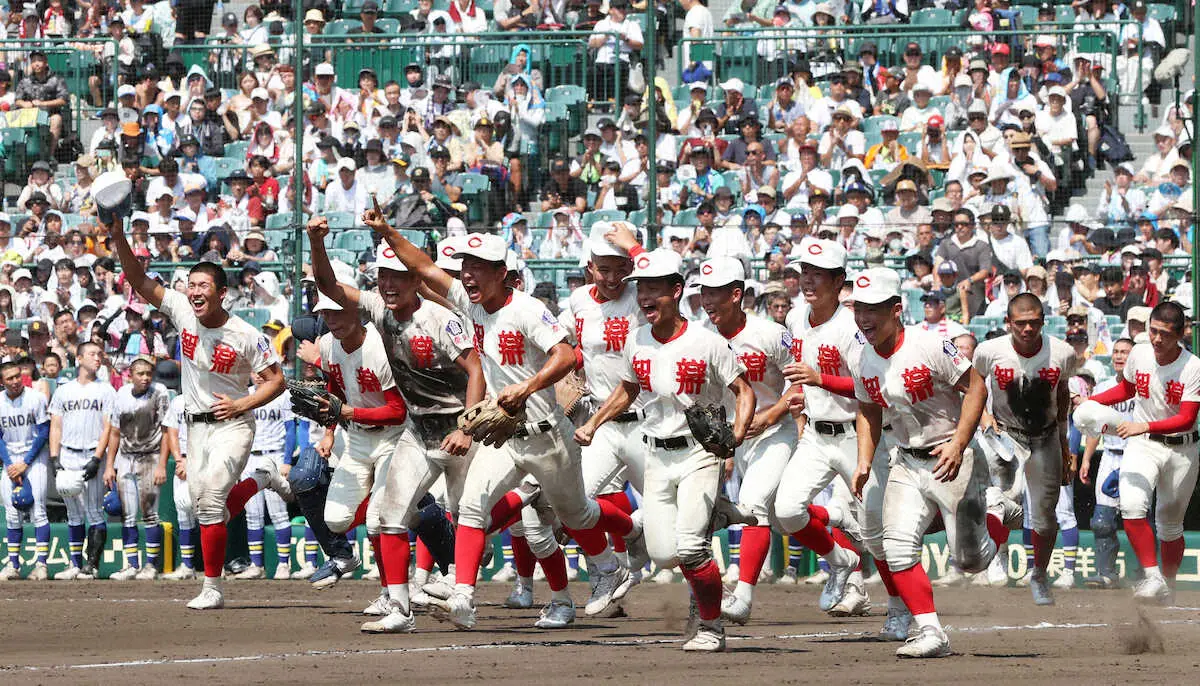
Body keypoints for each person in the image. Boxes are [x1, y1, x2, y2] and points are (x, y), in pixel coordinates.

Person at [366, 212, 645, 630]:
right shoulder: (467, 301)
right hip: (505, 435)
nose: (468, 275)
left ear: (503, 273)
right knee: (471, 509)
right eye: (465, 268)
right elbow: (422, 267)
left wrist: (528, 387)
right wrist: (386, 231)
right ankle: (463, 595)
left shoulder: (528, 310)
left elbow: (565, 355)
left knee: (577, 514)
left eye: (477, 268)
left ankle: (615, 555)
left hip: (548, 436)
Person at [106, 171, 291, 610]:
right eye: (190, 286)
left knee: (208, 502)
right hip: (196, 428)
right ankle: (262, 478)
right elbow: (138, 279)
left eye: (203, 286)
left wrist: (244, 402)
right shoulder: (182, 312)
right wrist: (117, 233)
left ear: (222, 293)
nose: (194, 292)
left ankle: (212, 588)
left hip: (233, 425)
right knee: (198, 504)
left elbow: (276, 380)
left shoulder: (246, 334)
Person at [575, 248, 756, 652]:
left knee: (691, 547)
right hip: (655, 453)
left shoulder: (707, 343)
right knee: (663, 554)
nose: (644, 296)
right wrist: (593, 423)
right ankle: (719, 513)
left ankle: (711, 627)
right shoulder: (636, 340)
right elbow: (627, 389)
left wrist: (737, 435)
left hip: (699, 453)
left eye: (654, 288)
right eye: (640, 288)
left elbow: (743, 391)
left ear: (676, 291)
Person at [850, 267, 1021, 658]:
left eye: (873, 308)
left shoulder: (930, 345)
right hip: (906, 461)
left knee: (971, 561)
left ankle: (996, 512)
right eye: (859, 307)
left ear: (896, 309)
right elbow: (867, 410)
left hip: (951, 458)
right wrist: (863, 460)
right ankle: (931, 632)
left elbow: (975, 383)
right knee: (896, 550)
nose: (863, 317)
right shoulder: (863, 357)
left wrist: (961, 442)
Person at [304, 217, 475, 602]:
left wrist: (468, 425)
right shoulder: (378, 308)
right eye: (383, 275)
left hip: (454, 427)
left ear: (417, 279)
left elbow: (474, 369)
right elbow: (329, 287)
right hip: (415, 431)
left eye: (398, 274)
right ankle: (398, 602)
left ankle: (460, 584)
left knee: (470, 513)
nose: (389, 283)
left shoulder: (440, 318)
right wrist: (317, 242)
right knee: (385, 516)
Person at [777, 237, 903, 632]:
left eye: (819, 275)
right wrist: (798, 397)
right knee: (786, 511)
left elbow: (872, 387)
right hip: (816, 433)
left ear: (839, 281)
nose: (808, 281)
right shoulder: (796, 317)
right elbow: (799, 374)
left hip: (857, 433)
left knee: (875, 531)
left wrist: (820, 380)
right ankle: (840, 561)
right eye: (804, 273)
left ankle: (899, 606)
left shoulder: (855, 326)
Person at [695, 256, 798, 626]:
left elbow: (801, 380)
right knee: (783, 515)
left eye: (715, 294)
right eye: (703, 293)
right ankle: (840, 558)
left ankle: (742, 596)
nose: (707, 302)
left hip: (776, 432)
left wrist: (772, 414)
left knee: (753, 504)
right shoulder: (701, 339)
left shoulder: (770, 333)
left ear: (736, 295)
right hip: (731, 441)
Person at [1087, 302, 1200, 604]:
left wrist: (1144, 425)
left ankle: (1169, 584)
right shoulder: (1139, 353)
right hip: (1143, 444)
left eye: (1164, 333)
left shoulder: (1193, 366)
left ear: (1180, 333)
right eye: (1153, 330)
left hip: (1182, 448)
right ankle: (1152, 576)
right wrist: (1092, 401)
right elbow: (1126, 389)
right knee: (1132, 505)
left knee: (1170, 524)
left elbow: (1187, 417)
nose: (1157, 339)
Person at [565, 223, 651, 614]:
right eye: (605, 268)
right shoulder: (579, 300)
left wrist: (633, 248)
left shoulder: (641, 294)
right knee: (572, 504)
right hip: (601, 421)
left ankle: (705, 599)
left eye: (621, 267)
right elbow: (563, 346)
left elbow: (658, 273)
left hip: (649, 421)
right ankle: (610, 563)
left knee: (677, 522)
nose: (614, 277)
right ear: (590, 267)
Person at [973, 294, 1078, 605]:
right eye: (1021, 323)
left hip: (1044, 437)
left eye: (1034, 322)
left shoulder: (1063, 352)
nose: (1028, 328)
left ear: (1044, 321)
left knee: (1046, 518)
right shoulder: (989, 351)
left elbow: (1062, 396)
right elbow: (972, 384)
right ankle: (995, 560)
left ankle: (1040, 574)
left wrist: (1063, 442)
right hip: (1004, 435)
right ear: (1009, 323)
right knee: (993, 499)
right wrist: (983, 415)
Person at [48, 342, 115, 580]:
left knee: (94, 512)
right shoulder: (64, 390)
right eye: (92, 354)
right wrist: (54, 458)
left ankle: (92, 565)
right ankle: (74, 564)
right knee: (73, 513)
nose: (97, 358)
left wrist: (98, 458)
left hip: (91, 453)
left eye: (99, 354)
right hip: (68, 453)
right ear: (79, 359)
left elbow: (109, 427)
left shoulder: (106, 390)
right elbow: (56, 425)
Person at [103, 356, 171, 580]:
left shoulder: (159, 392)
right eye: (140, 374)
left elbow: (167, 431)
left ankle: (150, 565)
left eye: (148, 374)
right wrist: (109, 465)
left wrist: (162, 464)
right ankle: (131, 564)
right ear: (130, 375)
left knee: (150, 514)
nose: (145, 378)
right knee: (128, 515)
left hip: (149, 457)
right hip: (125, 457)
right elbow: (114, 432)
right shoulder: (121, 394)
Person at [1078, 338, 1135, 589]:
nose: (1119, 356)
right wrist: (1087, 458)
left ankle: (1147, 575)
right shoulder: (1103, 386)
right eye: (1116, 352)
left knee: (1141, 518)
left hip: (1139, 454)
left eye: (1125, 352)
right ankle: (1106, 573)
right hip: (1111, 455)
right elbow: (1095, 427)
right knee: (1102, 520)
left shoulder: (1144, 385)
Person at [230, 378, 296, 581]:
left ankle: (284, 564)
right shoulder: (245, 393)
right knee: (253, 515)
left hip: (274, 455)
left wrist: (287, 460)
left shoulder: (282, 394)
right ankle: (256, 565)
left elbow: (291, 429)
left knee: (278, 514)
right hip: (251, 457)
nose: (259, 375)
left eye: (262, 372)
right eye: (255, 372)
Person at [0, 361, 52, 581]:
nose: (14, 381)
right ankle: (13, 565)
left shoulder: (36, 398)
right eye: (9, 378)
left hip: (34, 457)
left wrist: (26, 462)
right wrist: (11, 464)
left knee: (38, 511)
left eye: (17, 376)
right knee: (11, 514)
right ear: (2, 381)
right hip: (10, 459)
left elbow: (43, 433)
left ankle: (41, 565)